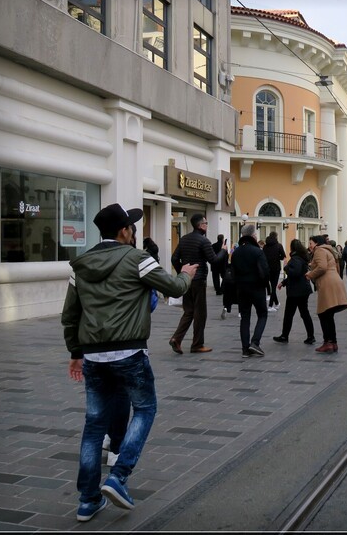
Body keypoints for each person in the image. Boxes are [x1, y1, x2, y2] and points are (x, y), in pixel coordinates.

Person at [61, 203, 197, 521]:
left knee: (94, 425)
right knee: (146, 409)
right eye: (132, 227)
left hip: (93, 356)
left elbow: (70, 316)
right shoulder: (137, 259)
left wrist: (75, 353)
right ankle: (119, 476)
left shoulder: (79, 266)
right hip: (129, 353)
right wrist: (187, 274)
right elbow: (174, 288)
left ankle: (87, 500)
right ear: (124, 231)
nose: (134, 231)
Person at [169, 214, 227, 354]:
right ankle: (197, 344)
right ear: (200, 225)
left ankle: (176, 338)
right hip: (199, 280)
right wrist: (223, 252)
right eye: (206, 223)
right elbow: (213, 260)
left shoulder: (183, 239)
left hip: (187, 280)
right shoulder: (203, 241)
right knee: (200, 314)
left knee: (188, 311)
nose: (207, 225)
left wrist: (182, 273)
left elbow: (174, 258)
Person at [305, 235, 347, 353]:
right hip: (333, 281)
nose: (310, 245)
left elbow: (322, 267)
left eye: (311, 243)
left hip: (327, 283)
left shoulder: (319, 251)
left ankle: (328, 342)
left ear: (317, 243)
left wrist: (310, 274)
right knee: (328, 314)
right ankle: (333, 342)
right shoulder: (329, 251)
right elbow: (336, 267)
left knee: (323, 313)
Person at [231, 224, 268, 359]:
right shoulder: (258, 251)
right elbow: (264, 272)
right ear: (253, 236)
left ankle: (245, 349)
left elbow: (233, 272)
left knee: (245, 318)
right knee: (262, 314)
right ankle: (255, 342)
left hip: (242, 289)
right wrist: (265, 286)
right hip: (257, 288)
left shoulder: (236, 252)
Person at [273, 239, 316, 345]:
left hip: (296, 291)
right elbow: (298, 275)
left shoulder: (296, 259)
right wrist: (284, 282)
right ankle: (310, 336)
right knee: (303, 313)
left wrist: (286, 267)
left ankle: (285, 336)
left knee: (289, 314)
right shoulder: (301, 257)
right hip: (302, 289)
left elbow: (295, 273)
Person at [262, 231, 286, 312]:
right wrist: (277, 257)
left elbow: (263, 257)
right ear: (276, 237)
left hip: (267, 269)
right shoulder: (279, 246)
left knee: (272, 286)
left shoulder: (265, 246)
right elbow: (283, 256)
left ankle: (276, 303)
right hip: (276, 268)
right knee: (273, 286)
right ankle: (270, 305)